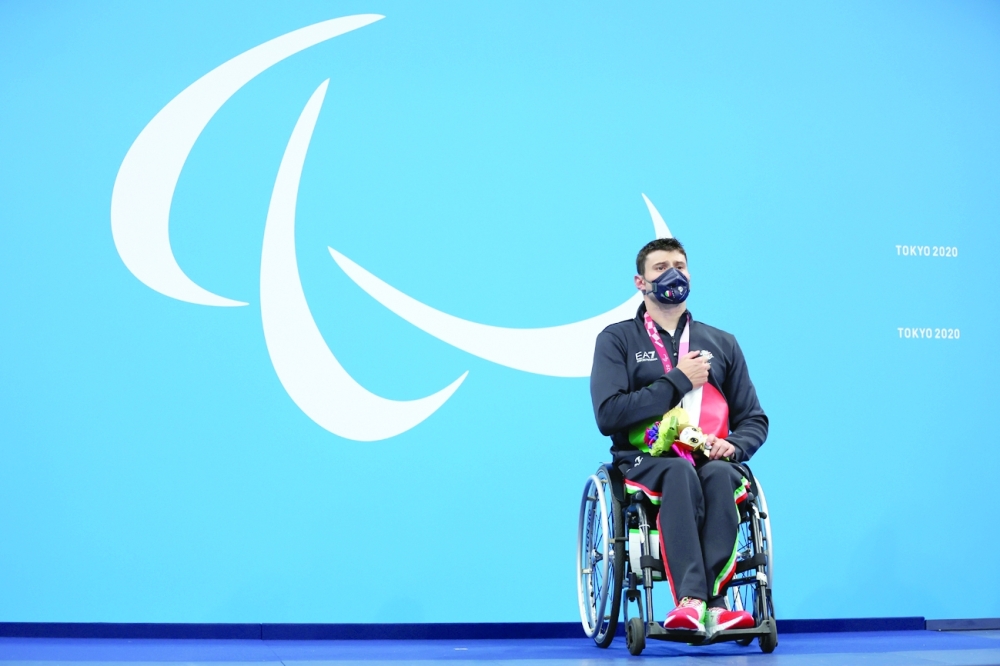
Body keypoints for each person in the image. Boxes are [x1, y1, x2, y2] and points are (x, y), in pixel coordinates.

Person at [589, 237, 768, 637]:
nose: (673, 274)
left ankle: (718, 606)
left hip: (708, 457)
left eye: (680, 266)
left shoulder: (722, 343)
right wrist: (676, 381)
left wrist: (735, 445)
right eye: (660, 267)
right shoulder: (617, 340)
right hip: (645, 459)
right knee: (678, 474)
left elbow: (754, 419)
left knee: (723, 474)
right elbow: (609, 414)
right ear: (640, 282)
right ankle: (691, 601)